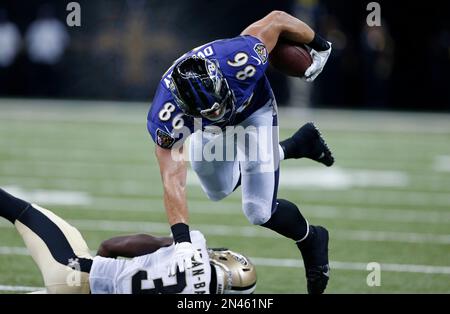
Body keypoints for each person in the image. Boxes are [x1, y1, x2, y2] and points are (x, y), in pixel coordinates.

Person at [147, 10, 333, 294]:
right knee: (217, 191)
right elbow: (173, 179)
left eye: (217, 104)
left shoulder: (239, 58)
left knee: (258, 210)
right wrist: (182, 242)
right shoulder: (167, 114)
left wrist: (321, 45)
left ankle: (312, 239)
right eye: (210, 110)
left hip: (253, 111)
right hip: (207, 130)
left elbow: (277, 19)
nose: (218, 112)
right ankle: (294, 146)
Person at [0, 188, 256, 294]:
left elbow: (113, 246)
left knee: (20, 211)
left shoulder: (195, 245)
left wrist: (101, 265)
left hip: (75, 271)